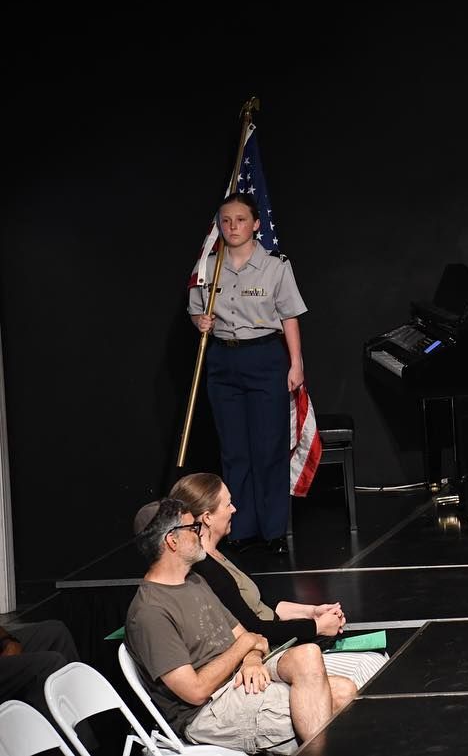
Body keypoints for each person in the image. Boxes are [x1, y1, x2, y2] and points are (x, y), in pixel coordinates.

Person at [125, 499, 353, 754]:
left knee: (320, 666)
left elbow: (251, 637)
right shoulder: (150, 613)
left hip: (238, 677)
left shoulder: (194, 581)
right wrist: (244, 648)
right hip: (207, 710)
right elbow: (196, 691)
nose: (200, 533)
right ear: (172, 541)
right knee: (335, 703)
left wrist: (252, 660)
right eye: (193, 528)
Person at [170, 472, 386, 689]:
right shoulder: (207, 569)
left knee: (378, 659)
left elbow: (265, 604)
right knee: (368, 670)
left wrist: (312, 612)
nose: (234, 509)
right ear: (207, 517)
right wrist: (316, 627)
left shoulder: (222, 554)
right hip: (268, 651)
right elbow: (254, 627)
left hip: (280, 642)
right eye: (228, 504)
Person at [189, 191, 307, 555]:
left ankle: (273, 531)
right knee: (234, 449)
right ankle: (238, 529)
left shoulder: (275, 266)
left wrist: (296, 362)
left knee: (268, 447)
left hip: (264, 358)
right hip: (224, 360)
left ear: (256, 224)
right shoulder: (208, 266)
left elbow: (289, 316)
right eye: (226, 221)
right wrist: (200, 321)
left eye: (240, 220)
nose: (232, 227)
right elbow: (195, 310)